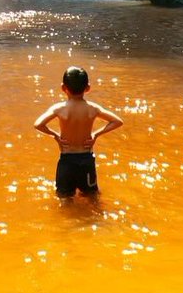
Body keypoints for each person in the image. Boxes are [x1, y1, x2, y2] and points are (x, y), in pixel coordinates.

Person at [33, 66, 123, 199]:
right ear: (88, 88)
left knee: (64, 199)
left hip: (67, 160)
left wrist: (56, 136)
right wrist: (96, 135)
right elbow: (117, 121)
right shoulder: (92, 108)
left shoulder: (59, 109)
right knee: (92, 197)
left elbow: (38, 124)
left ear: (63, 88)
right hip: (86, 160)